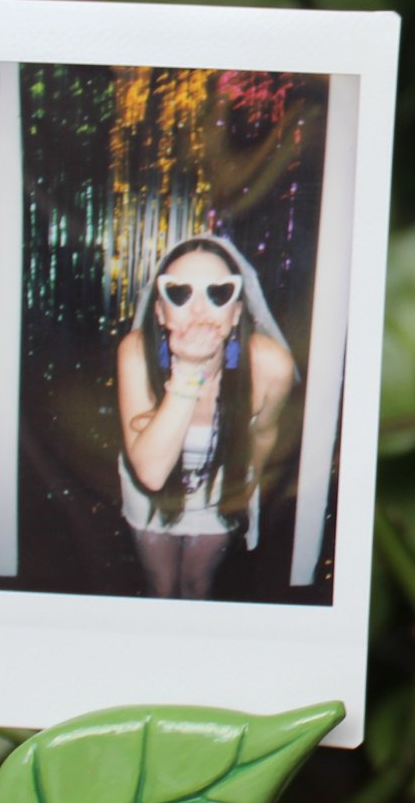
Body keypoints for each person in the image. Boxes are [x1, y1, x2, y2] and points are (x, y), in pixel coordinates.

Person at [115, 235, 297, 598]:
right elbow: (150, 472)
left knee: (198, 585)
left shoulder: (270, 365)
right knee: (161, 587)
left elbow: (264, 434)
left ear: (237, 312)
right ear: (160, 311)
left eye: (218, 293)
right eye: (179, 293)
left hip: (221, 486)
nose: (199, 310)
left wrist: (244, 489)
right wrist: (188, 370)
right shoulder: (136, 352)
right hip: (151, 494)